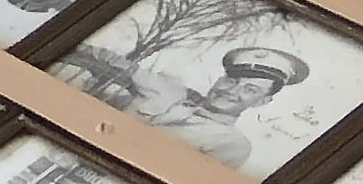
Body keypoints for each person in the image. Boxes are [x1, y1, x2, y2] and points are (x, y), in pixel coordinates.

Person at [121, 42, 312, 172]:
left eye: (250, 89)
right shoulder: (172, 94)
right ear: (220, 80)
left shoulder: (231, 144)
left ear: (261, 101)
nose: (232, 91)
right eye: (231, 81)